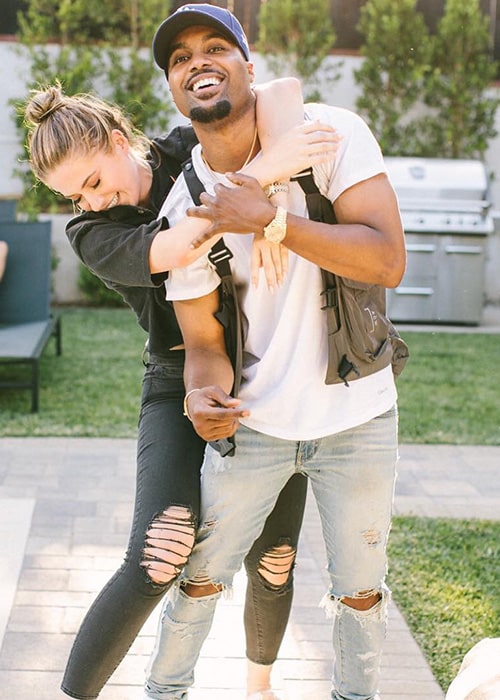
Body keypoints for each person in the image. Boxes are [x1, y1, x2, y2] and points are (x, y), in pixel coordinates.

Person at [24, 77, 338, 700]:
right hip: (177, 378)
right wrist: (266, 177)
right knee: (161, 551)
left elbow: (280, 92)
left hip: (267, 368)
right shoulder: (92, 234)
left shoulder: (184, 152)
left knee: (274, 559)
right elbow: (173, 245)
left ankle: (260, 686)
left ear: (120, 141)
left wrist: (270, 196)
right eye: (72, 197)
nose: (89, 202)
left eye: (91, 181)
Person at [141, 4, 407, 699]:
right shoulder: (185, 206)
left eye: (215, 47)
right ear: (175, 89)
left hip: (358, 419)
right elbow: (201, 339)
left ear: (248, 66)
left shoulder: (329, 136)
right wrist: (203, 393)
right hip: (254, 428)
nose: (197, 60)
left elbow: (384, 260)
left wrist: (274, 221)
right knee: (200, 577)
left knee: (359, 591)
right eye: (179, 58)